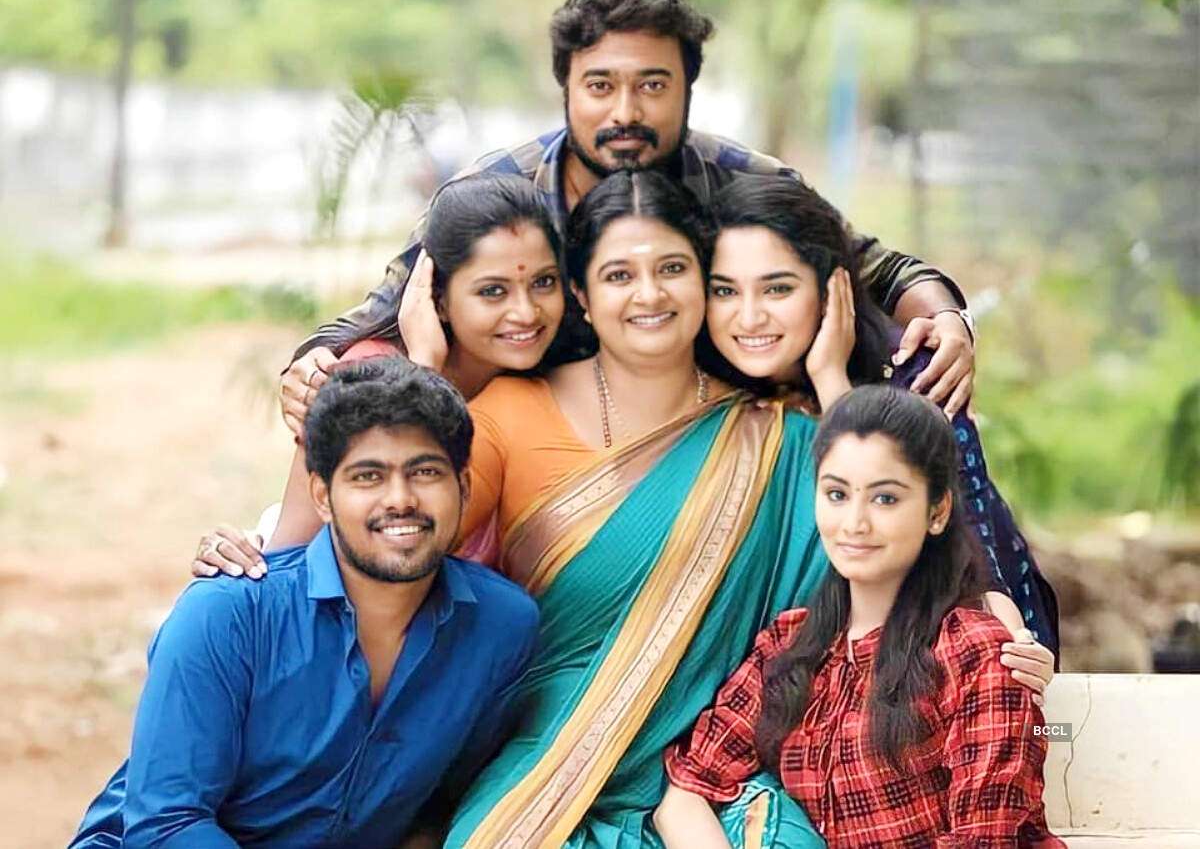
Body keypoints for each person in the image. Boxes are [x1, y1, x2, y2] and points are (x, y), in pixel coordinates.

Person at [198, 173, 1053, 847]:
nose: (649, 295)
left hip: (716, 774)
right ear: (579, 294)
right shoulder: (511, 413)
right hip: (546, 763)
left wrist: (832, 381)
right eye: (618, 274)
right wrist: (422, 368)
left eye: (673, 269)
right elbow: (393, 551)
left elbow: (880, 557)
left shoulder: (780, 438)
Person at [280, 0, 979, 442]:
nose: (625, 112)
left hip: (719, 429)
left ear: (687, 90)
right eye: (600, 86)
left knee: (908, 352)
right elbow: (383, 311)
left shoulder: (735, 178)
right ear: (566, 89)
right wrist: (312, 363)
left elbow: (880, 268)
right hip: (533, 441)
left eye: (652, 85)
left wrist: (947, 319)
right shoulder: (500, 190)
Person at [71, 358, 540, 848]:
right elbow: (167, 824)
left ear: (463, 487)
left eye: (424, 472)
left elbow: (438, 811)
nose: (400, 499)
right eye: (368, 476)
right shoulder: (227, 613)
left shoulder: (500, 628)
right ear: (322, 495)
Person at [656, 385, 1065, 848]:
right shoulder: (790, 646)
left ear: (937, 512)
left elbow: (984, 840)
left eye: (885, 498)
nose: (854, 523)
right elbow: (687, 790)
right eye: (836, 494)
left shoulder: (973, 651)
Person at [701, 175, 1060, 654]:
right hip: (771, 660)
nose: (749, 317)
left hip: (926, 652)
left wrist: (831, 383)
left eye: (777, 289)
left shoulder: (914, 372)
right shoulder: (700, 388)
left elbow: (970, 557)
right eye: (725, 292)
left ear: (832, 287)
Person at [194, 172, 568, 577]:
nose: (526, 312)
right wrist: (423, 370)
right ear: (437, 297)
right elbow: (289, 557)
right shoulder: (362, 377)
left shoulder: (556, 386)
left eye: (543, 282)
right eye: (492, 291)